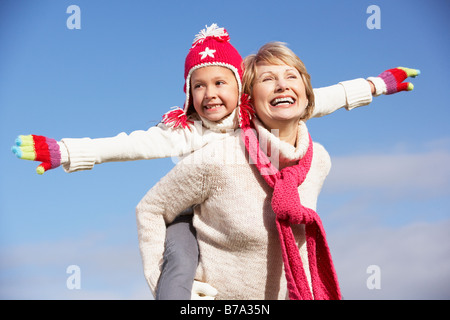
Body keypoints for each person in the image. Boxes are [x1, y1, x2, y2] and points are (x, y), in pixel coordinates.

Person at [11, 24, 418, 299]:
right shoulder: (187, 130)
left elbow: (323, 97)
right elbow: (128, 145)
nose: (210, 95)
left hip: (231, 214)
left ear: (239, 88)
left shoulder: (258, 116)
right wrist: (65, 150)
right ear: (188, 94)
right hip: (186, 211)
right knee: (181, 260)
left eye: (220, 83)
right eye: (198, 86)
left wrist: (380, 84)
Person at [135, 41, 420, 299]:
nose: (282, 85)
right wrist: (162, 280)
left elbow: (299, 250)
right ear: (249, 99)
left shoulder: (318, 160)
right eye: (268, 80)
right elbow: (151, 208)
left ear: (306, 95)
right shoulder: (219, 157)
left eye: (291, 77)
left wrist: (377, 84)